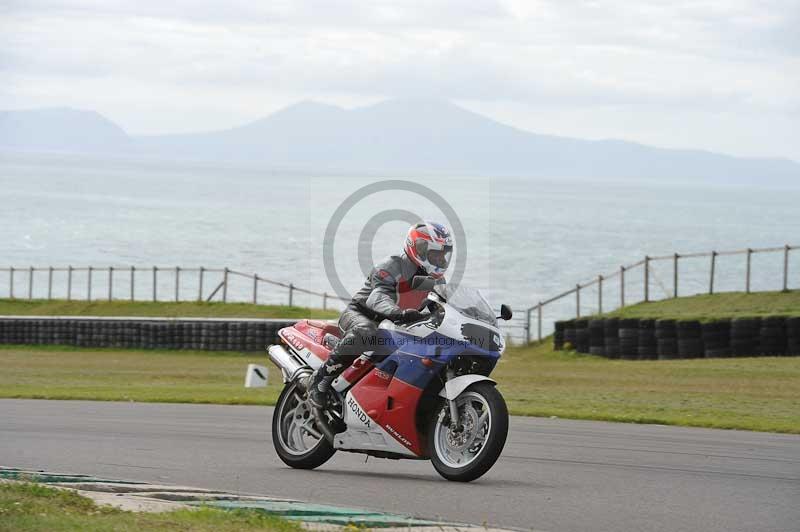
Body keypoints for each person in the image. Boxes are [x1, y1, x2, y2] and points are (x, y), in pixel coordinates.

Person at [305, 221, 454, 408]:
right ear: (419, 248)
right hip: (361, 315)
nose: (440, 259)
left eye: (443, 254)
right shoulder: (391, 266)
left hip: (396, 327)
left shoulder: (438, 280)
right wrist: (399, 313)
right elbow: (377, 297)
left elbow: (443, 308)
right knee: (366, 331)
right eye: (435, 253)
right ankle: (319, 382)